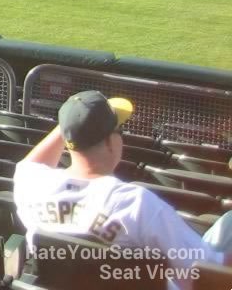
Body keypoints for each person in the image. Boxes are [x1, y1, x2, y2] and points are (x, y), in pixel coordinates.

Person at [13, 91, 230, 286]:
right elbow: (208, 274)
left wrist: (72, 121)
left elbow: (30, 164)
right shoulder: (137, 204)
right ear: (110, 142)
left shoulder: (33, 185)